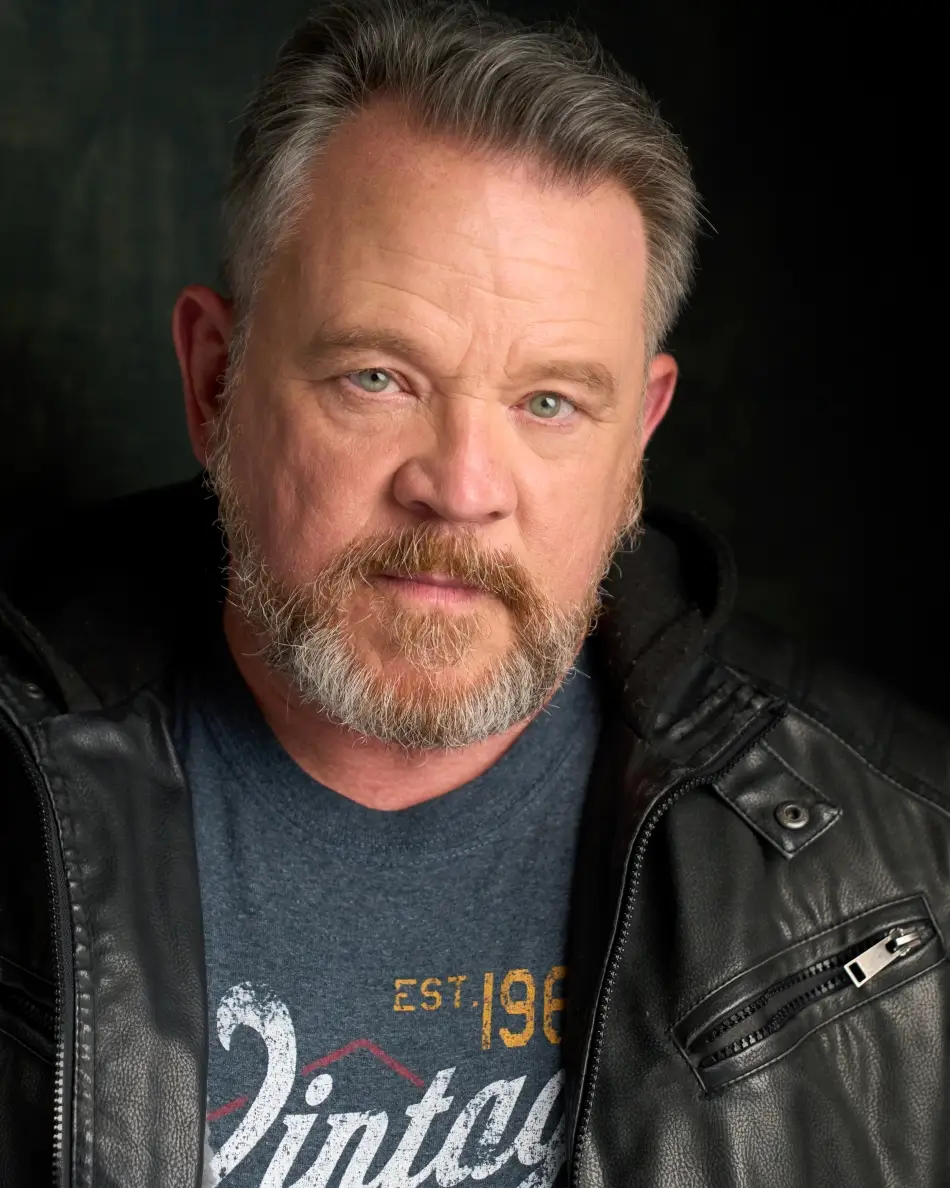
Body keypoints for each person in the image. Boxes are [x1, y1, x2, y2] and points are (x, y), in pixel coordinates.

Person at [0, 0, 946, 1184]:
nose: (459, 489)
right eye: (378, 377)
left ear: (635, 442)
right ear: (213, 383)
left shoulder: (909, 859)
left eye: (549, 402)